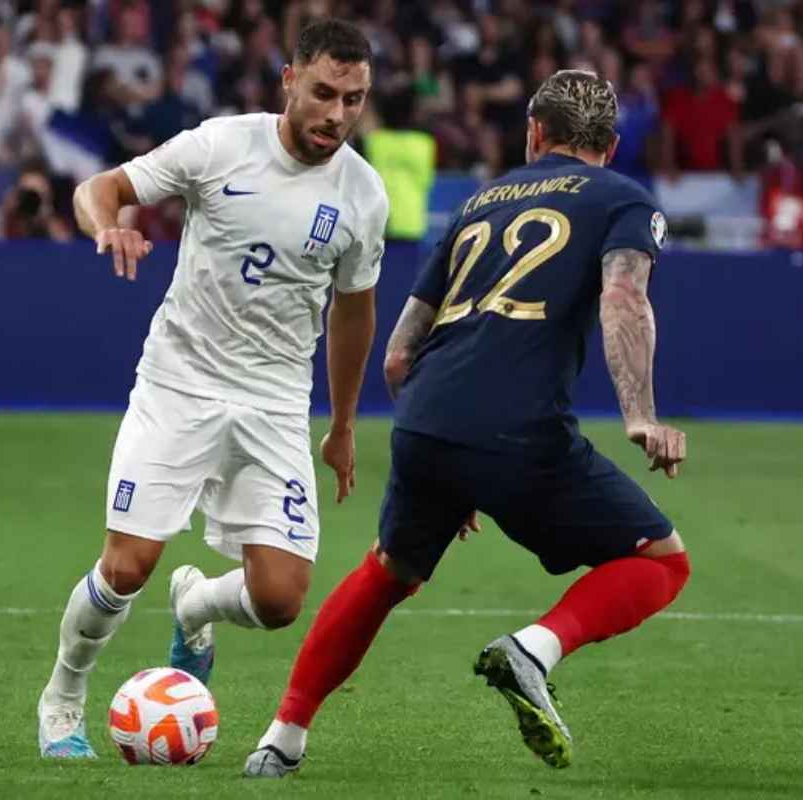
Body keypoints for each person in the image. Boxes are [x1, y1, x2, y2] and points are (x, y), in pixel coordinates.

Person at [244, 69, 691, 778]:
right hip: (518, 429)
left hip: (426, 420)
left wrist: (447, 456)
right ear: (608, 145)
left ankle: (280, 739)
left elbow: (397, 355)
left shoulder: (481, 204)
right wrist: (641, 417)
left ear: (535, 133)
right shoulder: (623, 200)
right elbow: (624, 294)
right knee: (663, 561)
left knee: (388, 571)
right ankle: (534, 650)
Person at [36, 19, 388, 759]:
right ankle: (63, 700)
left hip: (274, 402)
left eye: (354, 99)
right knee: (127, 565)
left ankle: (196, 606)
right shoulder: (220, 145)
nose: (337, 114)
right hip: (180, 383)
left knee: (281, 599)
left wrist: (344, 423)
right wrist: (110, 227)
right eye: (324, 92)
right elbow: (101, 188)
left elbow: (354, 309)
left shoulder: (363, 194)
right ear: (289, 80)